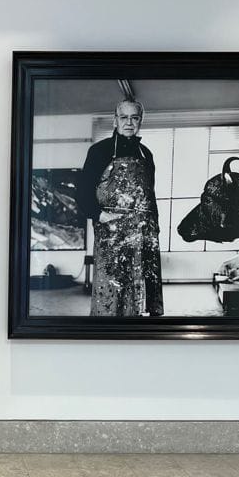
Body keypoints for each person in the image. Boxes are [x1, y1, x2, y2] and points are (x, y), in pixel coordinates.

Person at [76, 99, 163, 316]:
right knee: (111, 295)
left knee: (141, 295)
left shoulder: (146, 154)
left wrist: (155, 227)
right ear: (115, 120)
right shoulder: (99, 151)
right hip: (112, 234)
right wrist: (100, 215)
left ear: (140, 121)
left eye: (134, 118)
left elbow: (150, 194)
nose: (129, 123)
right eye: (124, 117)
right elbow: (82, 192)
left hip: (143, 235)